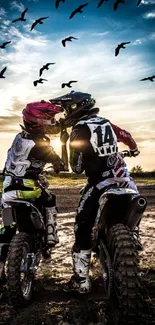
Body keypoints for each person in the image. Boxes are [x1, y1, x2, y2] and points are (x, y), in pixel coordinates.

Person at [50, 90, 141, 294]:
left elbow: (77, 167)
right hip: (125, 181)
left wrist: (65, 144)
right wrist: (133, 149)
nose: (65, 114)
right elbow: (126, 136)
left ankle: (81, 281)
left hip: (100, 184)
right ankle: (134, 239)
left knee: (82, 224)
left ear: (75, 108)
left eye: (66, 109)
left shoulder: (79, 129)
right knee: (134, 211)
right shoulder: (106, 122)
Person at [0, 100, 65, 284]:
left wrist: (38, 172)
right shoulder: (42, 143)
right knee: (50, 198)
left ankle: (1, 264)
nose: (53, 122)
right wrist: (59, 162)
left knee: (7, 226)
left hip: (8, 190)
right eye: (50, 118)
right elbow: (58, 163)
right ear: (39, 121)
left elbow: (20, 163)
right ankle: (50, 236)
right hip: (28, 190)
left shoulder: (19, 138)